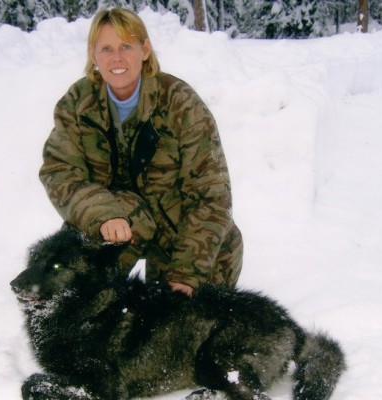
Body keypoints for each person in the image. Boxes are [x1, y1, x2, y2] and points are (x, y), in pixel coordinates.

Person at [39, 7, 243, 297]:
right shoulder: (78, 103)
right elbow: (60, 171)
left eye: (126, 47)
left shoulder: (181, 103)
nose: (117, 58)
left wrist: (186, 273)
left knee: (187, 309)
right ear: (93, 54)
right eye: (106, 49)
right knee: (75, 295)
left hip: (179, 230)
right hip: (111, 225)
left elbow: (213, 195)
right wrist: (104, 216)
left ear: (144, 50)